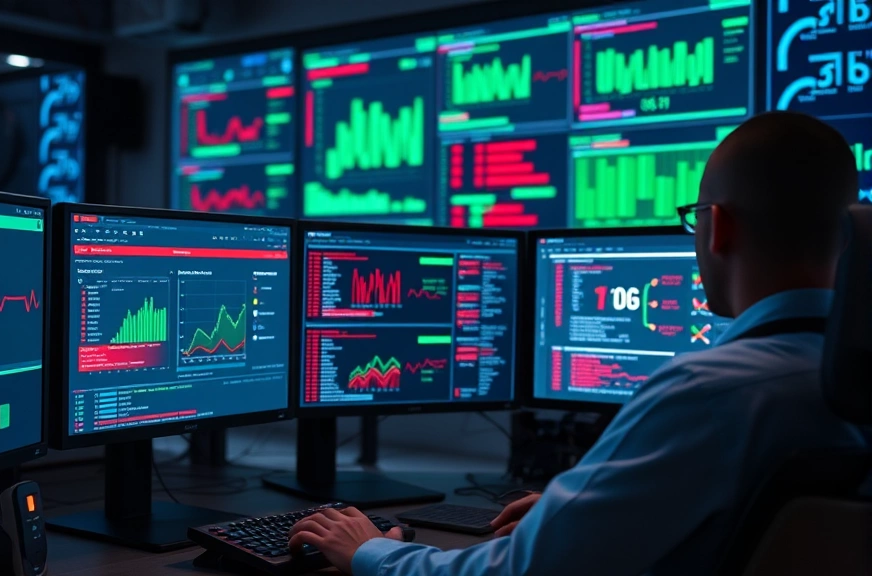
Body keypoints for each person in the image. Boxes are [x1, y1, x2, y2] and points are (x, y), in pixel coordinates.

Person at [288, 111, 869, 575]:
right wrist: (591, 515)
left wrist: (369, 551)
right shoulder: (844, 382)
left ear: (719, 227)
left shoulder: (709, 393)